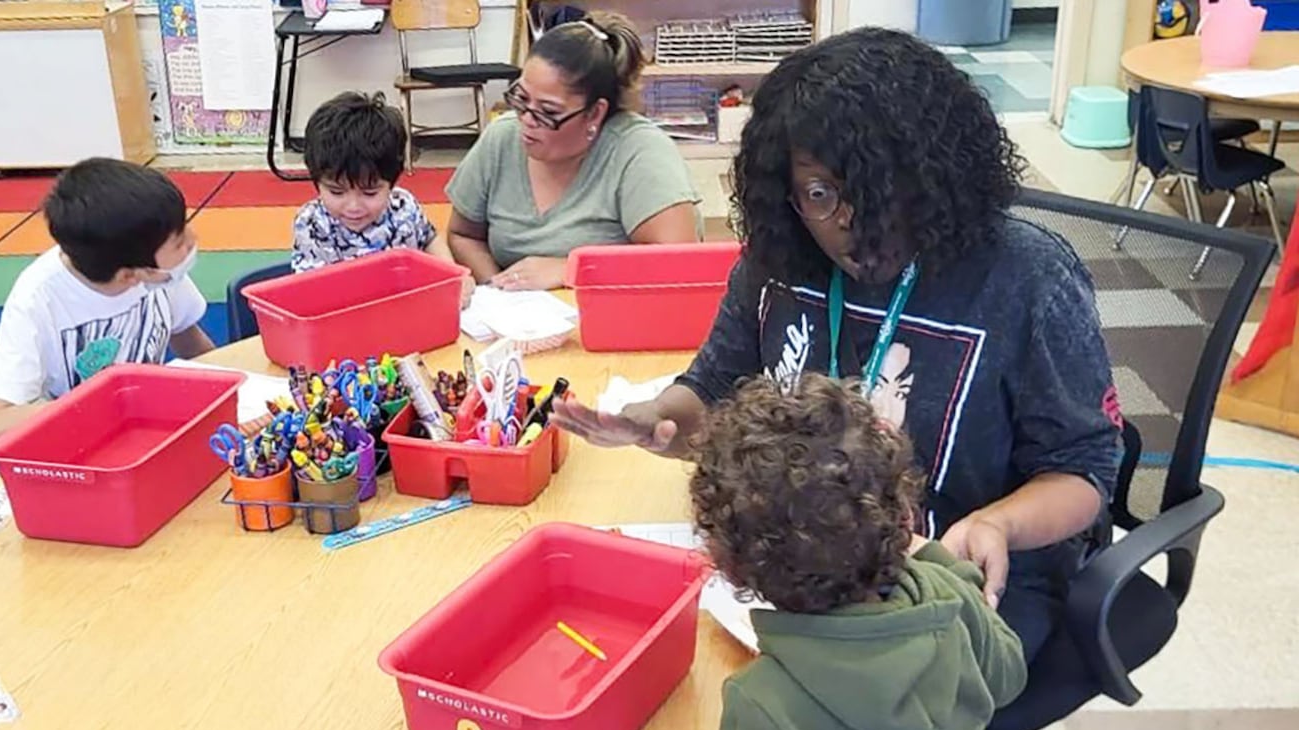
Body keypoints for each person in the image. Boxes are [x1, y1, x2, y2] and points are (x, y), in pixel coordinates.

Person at [553, 29, 1122, 661]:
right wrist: (654, 420)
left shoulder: (1025, 278)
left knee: (793, 719)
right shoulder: (778, 263)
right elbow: (714, 393)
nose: (850, 219)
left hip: (965, 584)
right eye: (820, 194)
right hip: (804, 574)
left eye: (875, 189)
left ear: (933, 174)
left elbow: (1086, 470)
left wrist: (999, 523)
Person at [694, 374, 1031, 730]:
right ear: (904, 518)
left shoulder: (765, 703)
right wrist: (944, 565)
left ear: (731, 569)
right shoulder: (946, 593)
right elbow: (1008, 675)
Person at [446, 12, 701, 292]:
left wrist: (571, 269)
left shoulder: (639, 152)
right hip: (521, 323)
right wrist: (499, 290)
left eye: (548, 112)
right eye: (521, 99)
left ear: (594, 113)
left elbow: (680, 265)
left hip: (612, 319)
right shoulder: (503, 138)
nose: (527, 120)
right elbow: (463, 234)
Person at [0, 158, 213, 444]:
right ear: (131, 276)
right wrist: (104, 405)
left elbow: (189, 340)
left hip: (149, 433)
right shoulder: (37, 299)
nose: (192, 240)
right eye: (179, 243)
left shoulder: (158, 272)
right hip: (79, 446)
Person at [293, 92, 472, 309]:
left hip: (410, 315)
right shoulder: (312, 223)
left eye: (370, 193)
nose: (353, 207)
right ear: (317, 182)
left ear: (391, 184)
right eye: (336, 192)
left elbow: (429, 239)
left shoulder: (404, 207)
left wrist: (453, 275)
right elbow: (314, 292)